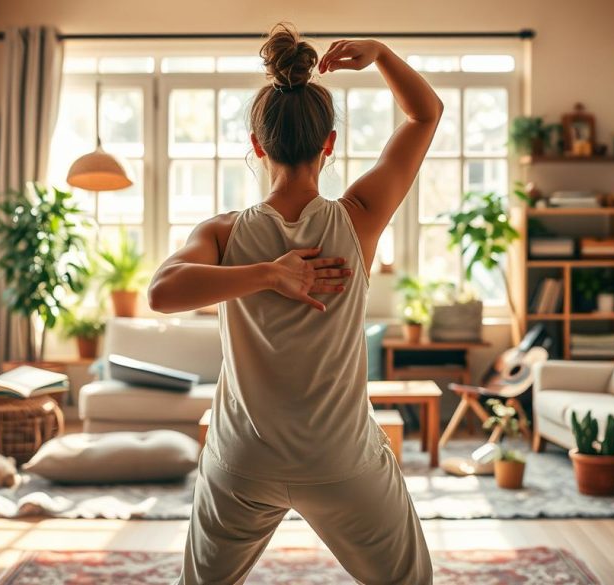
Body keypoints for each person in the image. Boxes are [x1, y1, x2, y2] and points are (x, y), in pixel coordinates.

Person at [148, 23, 443, 585]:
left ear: (257, 146)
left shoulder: (223, 233)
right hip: (340, 461)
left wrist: (263, 273)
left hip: (243, 464)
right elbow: (425, 115)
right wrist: (381, 54)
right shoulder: (358, 219)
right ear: (329, 144)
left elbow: (162, 291)